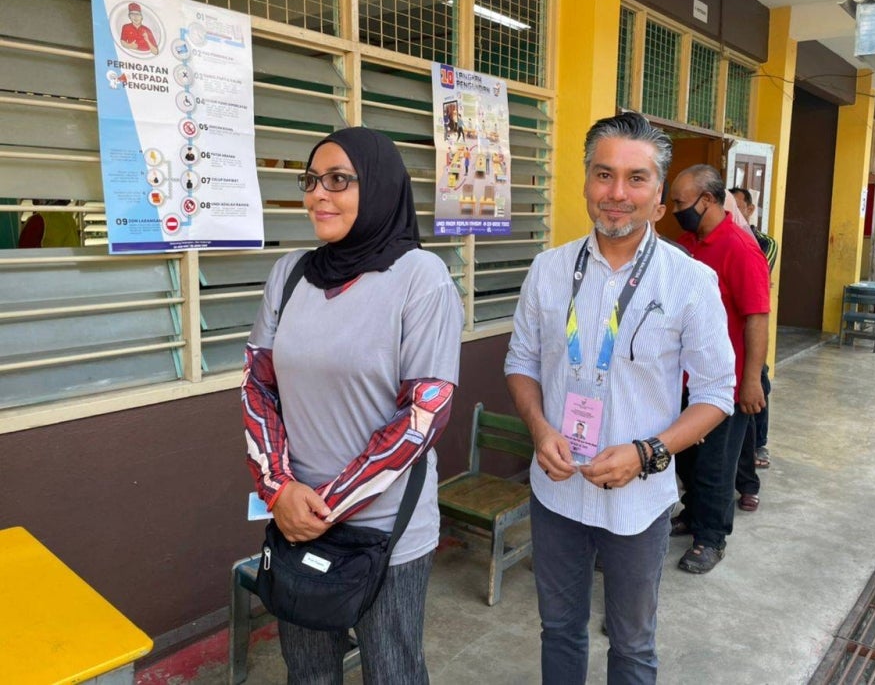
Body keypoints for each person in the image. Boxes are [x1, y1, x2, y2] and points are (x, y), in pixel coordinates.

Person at [505, 111, 734, 684]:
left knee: (632, 645)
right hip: (556, 491)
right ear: (585, 182)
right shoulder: (548, 270)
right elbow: (521, 363)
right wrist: (539, 429)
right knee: (558, 630)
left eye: (636, 179)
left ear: (659, 197)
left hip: (640, 500)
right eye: (604, 175)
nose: (616, 193)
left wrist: (648, 452)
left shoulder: (689, 282)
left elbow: (717, 394)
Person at [242, 127, 464, 683]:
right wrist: (279, 491)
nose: (319, 194)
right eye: (312, 180)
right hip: (296, 516)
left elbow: (424, 415)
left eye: (339, 180)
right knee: (308, 672)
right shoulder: (290, 275)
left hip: (386, 530)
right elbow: (257, 386)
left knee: (392, 669)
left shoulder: (421, 278)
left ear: (381, 186)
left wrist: (324, 505)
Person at [669, 165, 771, 570]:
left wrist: (750, 382)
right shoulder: (687, 243)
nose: (675, 209)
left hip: (724, 382)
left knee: (715, 463)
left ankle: (711, 537)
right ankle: (693, 515)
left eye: (680, 202)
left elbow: (757, 317)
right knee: (684, 458)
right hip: (684, 378)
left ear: (706, 200)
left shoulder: (741, 248)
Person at [729, 187, 777, 470]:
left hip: (750, 329)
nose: (732, 213)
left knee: (759, 384)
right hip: (728, 335)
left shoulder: (762, 243)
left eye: (737, 207)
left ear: (749, 209)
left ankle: (760, 443)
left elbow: (761, 272)